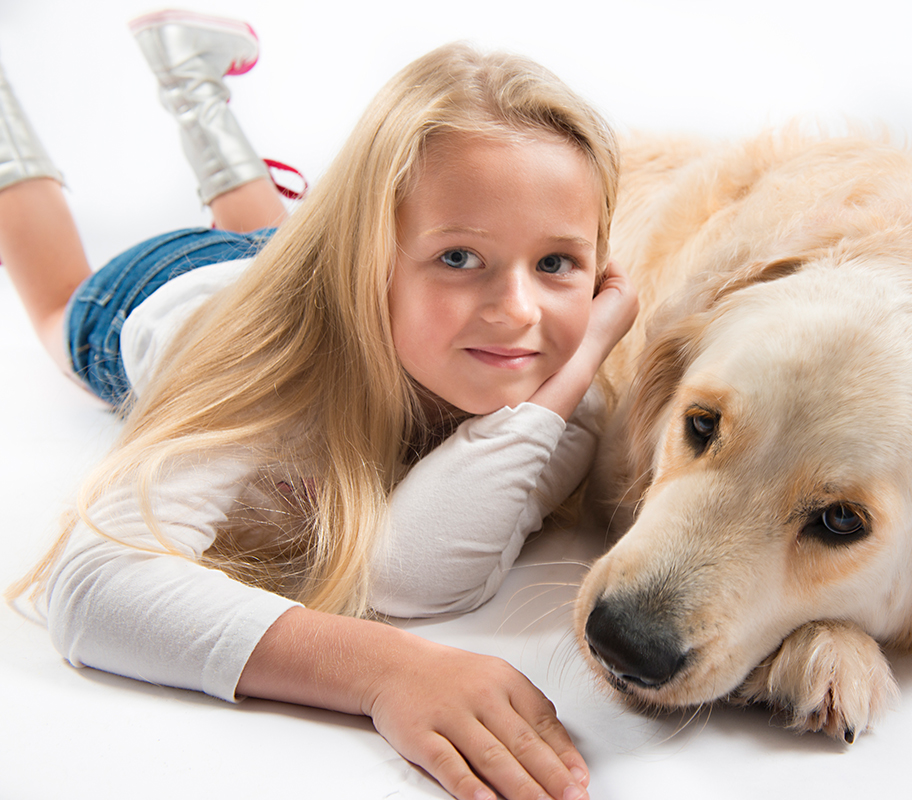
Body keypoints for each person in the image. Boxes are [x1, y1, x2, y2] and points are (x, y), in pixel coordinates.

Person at [1, 11, 637, 800]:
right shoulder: (272, 372)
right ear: (369, 261)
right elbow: (95, 587)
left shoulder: (560, 390)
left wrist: (577, 366)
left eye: (557, 262)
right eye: (460, 256)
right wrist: (385, 672)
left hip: (304, 257)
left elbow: (412, 575)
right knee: (57, 311)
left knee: (279, 236)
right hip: (177, 289)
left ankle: (192, 81)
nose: (518, 311)